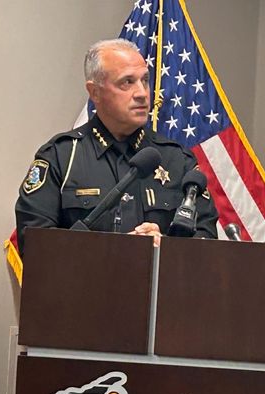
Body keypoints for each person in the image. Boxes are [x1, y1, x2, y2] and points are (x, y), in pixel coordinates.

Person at [15, 38, 217, 253]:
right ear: (95, 92)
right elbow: (34, 244)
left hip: (162, 285)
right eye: (127, 82)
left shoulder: (177, 160)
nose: (142, 93)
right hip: (86, 286)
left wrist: (163, 245)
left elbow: (206, 244)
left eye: (145, 80)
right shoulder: (61, 156)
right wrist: (118, 250)